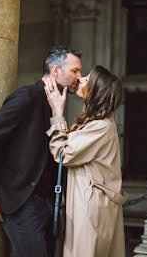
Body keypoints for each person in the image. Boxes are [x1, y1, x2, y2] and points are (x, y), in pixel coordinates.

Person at [0, 46, 82, 257]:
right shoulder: (27, 96)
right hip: (23, 204)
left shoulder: (56, 102)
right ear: (56, 71)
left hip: (50, 204)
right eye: (75, 71)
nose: (79, 76)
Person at [44, 65, 128, 257]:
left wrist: (57, 112)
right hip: (88, 204)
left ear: (96, 92)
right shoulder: (94, 122)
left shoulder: (100, 126)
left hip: (90, 209)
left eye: (87, 80)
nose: (80, 79)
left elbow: (62, 154)